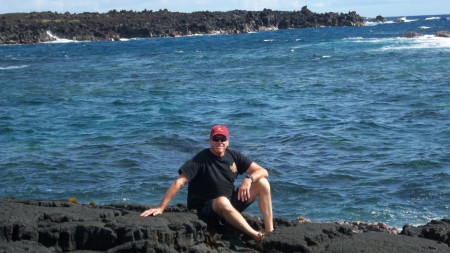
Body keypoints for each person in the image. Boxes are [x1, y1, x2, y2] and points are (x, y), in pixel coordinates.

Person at [141, 125, 273, 242]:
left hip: (229, 203)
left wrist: (248, 179)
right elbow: (179, 182)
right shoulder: (200, 159)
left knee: (263, 183)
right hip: (206, 209)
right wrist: (161, 207)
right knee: (221, 201)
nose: (219, 142)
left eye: (223, 139)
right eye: (216, 139)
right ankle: (256, 236)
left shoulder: (234, 156)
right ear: (210, 141)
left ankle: (269, 231)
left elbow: (263, 171)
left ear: (228, 141)